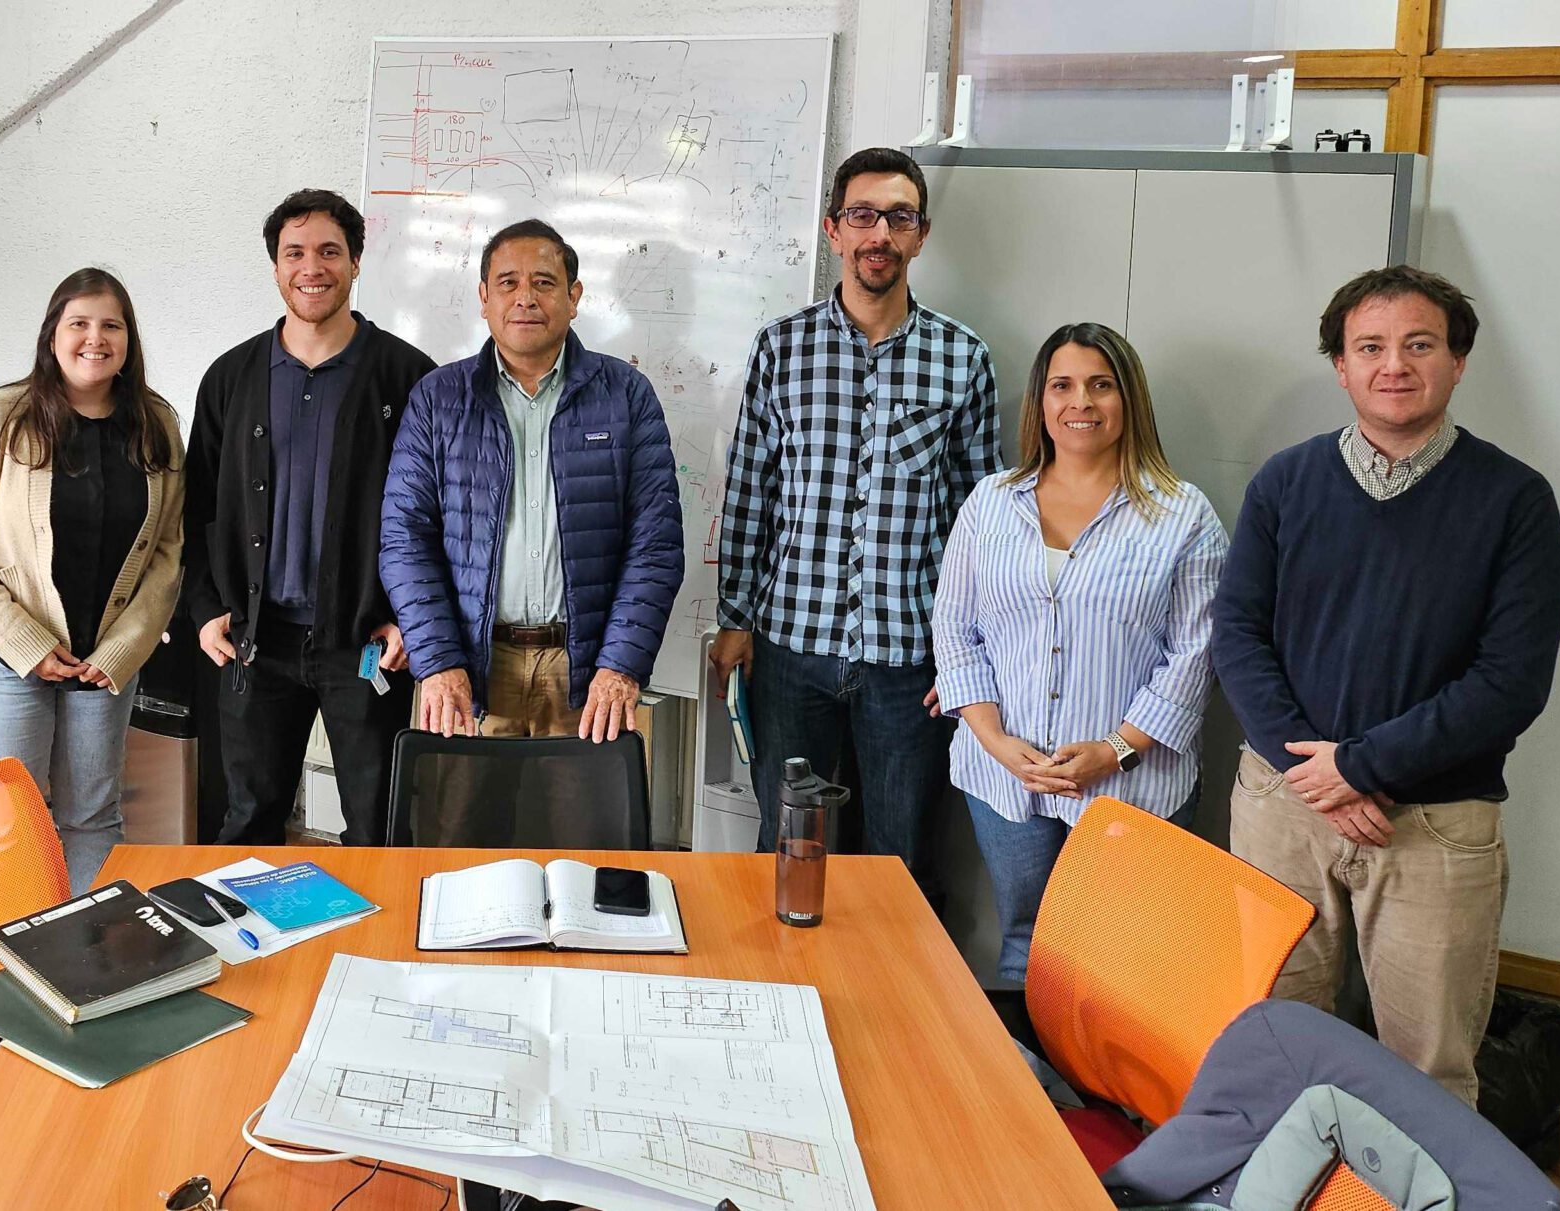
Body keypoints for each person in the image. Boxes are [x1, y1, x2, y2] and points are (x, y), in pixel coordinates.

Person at [1213, 265, 1560, 1105]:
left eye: (1419, 344)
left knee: (1429, 1073)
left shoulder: (1516, 500)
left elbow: (1510, 681)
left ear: (1458, 361)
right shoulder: (1284, 483)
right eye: (1369, 347)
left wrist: (1360, 766)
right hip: (1282, 806)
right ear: (1341, 366)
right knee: (1272, 1036)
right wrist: (1317, 775)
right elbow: (1236, 634)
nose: (1394, 365)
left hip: (1432, 824)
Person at [712, 146, 1002, 877]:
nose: (880, 234)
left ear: (920, 235)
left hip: (911, 662)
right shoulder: (781, 349)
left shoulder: (962, 357)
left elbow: (980, 521)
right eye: (863, 215)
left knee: (899, 861)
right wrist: (735, 620)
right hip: (790, 649)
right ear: (833, 229)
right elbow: (751, 490)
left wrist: (970, 652)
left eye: (899, 218)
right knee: (788, 849)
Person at [929, 322, 1227, 980]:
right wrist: (995, 741)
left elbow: (1196, 653)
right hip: (1006, 778)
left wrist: (1116, 749)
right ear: (1041, 401)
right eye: (1062, 386)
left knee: (1118, 968)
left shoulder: (1183, 515)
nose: (1080, 402)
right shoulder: (990, 503)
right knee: (1023, 944)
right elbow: (954, 627)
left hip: (1134, 786)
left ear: (1129, 398)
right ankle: (1024, 1054)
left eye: (1101, 385)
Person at [185, 190, 437, 847]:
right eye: (294, 253)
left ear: (355, 262)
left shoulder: (409, 377)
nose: (312, 267)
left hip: (365, 642)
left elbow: (437, 515)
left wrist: (412, 617)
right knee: (248, 819)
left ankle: (371, 923)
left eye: (329, 251)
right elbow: (198, 508)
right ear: (275, 266)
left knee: (378, 826)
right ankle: (251, 923)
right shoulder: (230, 377)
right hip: (255, 638)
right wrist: (206, 608)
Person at [380, 219, 683, 742]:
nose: (525, 298)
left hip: (586, 677)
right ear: (484, 298)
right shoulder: (437, 399)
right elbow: (405, 539)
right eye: (508, 283)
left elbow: (654, 543)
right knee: (465, 800)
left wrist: (620, 665)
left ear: (574, 297)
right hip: (471, 674)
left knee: (582, 801)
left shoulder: (625, 394)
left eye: (544, 282)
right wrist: (439, 660)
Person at [0, 267, 185, 889]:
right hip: (2, 655)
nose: (95, 339)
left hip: (102, 663)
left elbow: (168, 550)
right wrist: (28, 645)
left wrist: (122, 650)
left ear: (129, 340)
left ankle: (85, 947)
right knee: (2, 825)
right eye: (79, 324)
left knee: (93, 818)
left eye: (111, 326)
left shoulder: (156, 424)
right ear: (52, 335)